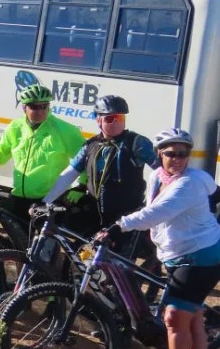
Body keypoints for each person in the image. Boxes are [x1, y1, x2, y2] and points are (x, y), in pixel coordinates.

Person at [97, 128, 220, 349]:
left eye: (183, 154)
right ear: (160, 154)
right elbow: (151, 206)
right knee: (192, 320)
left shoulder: (189, 184)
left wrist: (118, 226)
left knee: (173, 318)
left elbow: (158, 212)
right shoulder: (157, 176)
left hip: (201, 255)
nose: (177, 159)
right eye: (170, 153)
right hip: (178, 253)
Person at [42, 95, 157, 249]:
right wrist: (45, 202)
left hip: (126, 215)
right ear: (98, 120)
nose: (116, 122)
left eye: (120, 118)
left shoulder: (137, 143)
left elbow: (162, 172)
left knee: (120, 262)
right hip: (95, 212)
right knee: (89, 257)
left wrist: (152, 203)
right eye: (110, 118)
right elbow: (70, 173)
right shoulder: (90, 145)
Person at [0, 83, 85, 223]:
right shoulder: (15, 127)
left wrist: (81, 187)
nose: (40, 111)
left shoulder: (64, 130)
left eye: (44, 106)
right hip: (19, 196)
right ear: (24, 107)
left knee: (43, 243)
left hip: (49, 200)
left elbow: (86, 159)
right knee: (17, 242)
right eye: (34, 107)